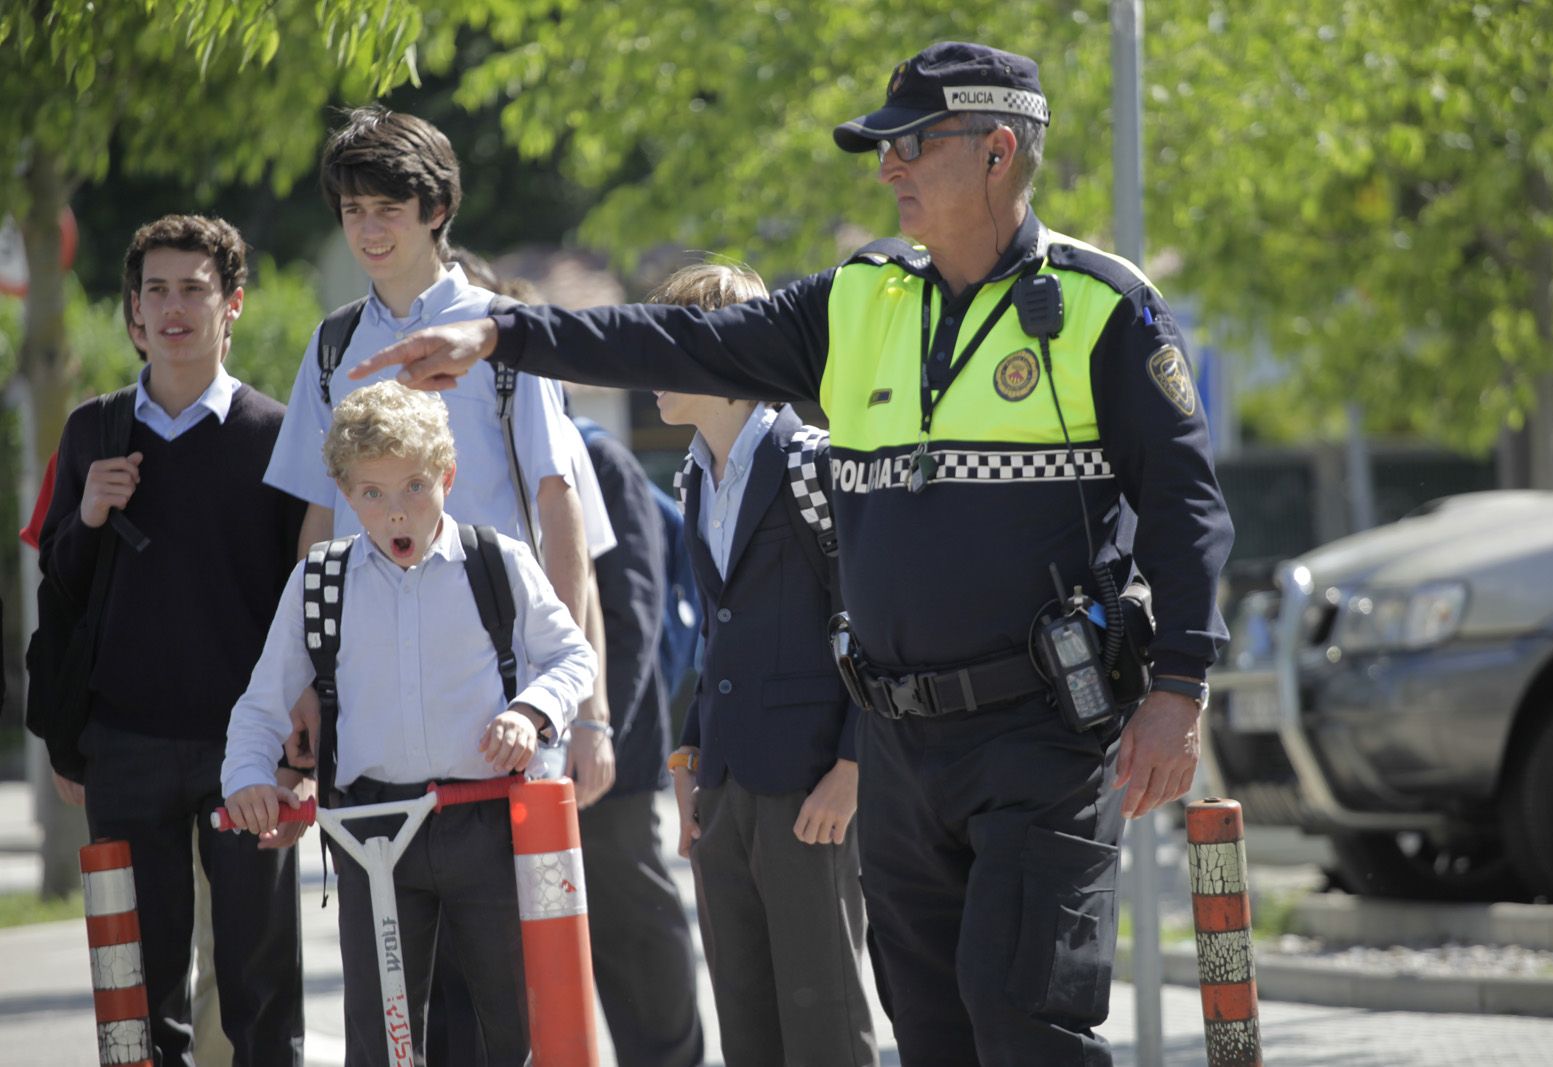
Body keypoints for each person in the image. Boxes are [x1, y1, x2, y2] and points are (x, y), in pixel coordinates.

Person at [354, 41, 1235, 1066]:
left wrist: (1180, 684)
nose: (886, 167)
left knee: (1023, 1023)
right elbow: (672, 340)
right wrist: (503, 336)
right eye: (881, 149)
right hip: (903, 747)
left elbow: (1185, 505)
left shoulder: (1102, 308)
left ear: (998, 150)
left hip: (1040, 733)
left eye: (910, 144)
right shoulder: (856, 300)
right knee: (934, 1031)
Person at [221, 380, 597, 1067]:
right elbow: (260, 703)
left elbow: (573, 657)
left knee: (506, 1024)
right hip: (373, 830)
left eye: (415, 487)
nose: (397, 512)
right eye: (371, 493)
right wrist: (247, 777)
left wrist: (530, 712)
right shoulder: (320, 582)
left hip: (485, 822)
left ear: (448, 476)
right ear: (342, 491)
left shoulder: (497, 561)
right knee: (384, 1032)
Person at [262, 106, 619, 809]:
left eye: (388, 208)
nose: (367, 229)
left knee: (505, 914)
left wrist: (577, 706)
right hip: (368, 693)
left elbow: (558, 505)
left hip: (498, 686)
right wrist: (305, 674)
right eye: (353, 208)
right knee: (387, 912)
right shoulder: (332, 346)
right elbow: (319, 516)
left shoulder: (505, 333)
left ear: (439, 208)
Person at [37, 213, 308, 1064]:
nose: (174, 306)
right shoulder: (91, 431)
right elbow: (60, 588)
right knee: (137, 993)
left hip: (249, 748)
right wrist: (85, 516)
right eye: (157, 290)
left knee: (261, 984)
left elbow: (307, 603)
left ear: (232, 305)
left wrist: (300, 745)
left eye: (194, 288)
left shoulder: (280, 436)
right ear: (134, 311)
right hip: (123, 745)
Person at [651, 262, 875, 1066]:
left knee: (826, 1020)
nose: (650, 367)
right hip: (726, 786)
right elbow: (720, 631)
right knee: (746, 1019)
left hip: (811, 784)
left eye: (670, 345)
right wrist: (688, 751)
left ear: (732, 358)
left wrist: (853, 768)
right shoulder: (691, 478)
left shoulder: (816, 463)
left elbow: (874, 627)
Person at [570, 407, 706, 1067]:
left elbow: (633, 617)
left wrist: (595, 736)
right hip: (534, 747)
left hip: (609, 751)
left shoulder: (599, 460)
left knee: (632, 926)